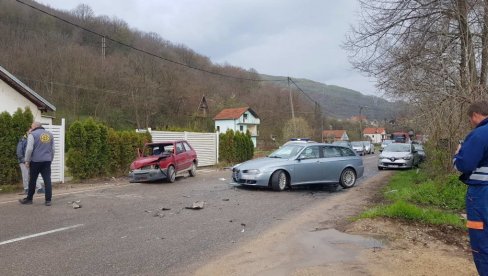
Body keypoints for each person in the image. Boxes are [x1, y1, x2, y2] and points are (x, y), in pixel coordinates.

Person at [454, 100, 488, 275]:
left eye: (470, 119)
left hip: (483, 194)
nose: (470, 122)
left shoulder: (480, 134)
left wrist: (457, 154)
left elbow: (464, 165)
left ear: (475, 115)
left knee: (482, 242)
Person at [19, 122, 55, 206]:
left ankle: (29, 199)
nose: (31, 128)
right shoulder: (50, 134)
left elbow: (29, 149)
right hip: (47, 161)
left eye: (32, 126)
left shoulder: (32, 134)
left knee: (32, 180)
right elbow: (53, 149)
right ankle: (48, 200)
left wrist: (27, 160)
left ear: (35, 126)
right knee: (47, 180)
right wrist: (50, 159)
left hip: (35, 161)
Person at [16, 129, 43, 195]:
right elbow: (19, 152)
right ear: (27, 132)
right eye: (30, 132)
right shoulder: (22, 140)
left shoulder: (34, 139)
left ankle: (39, 188)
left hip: (32, 161)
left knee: (34, 175)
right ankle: (26, 189)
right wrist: (24, 161)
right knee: (25, 176)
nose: (32, 133)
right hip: (23, 162)